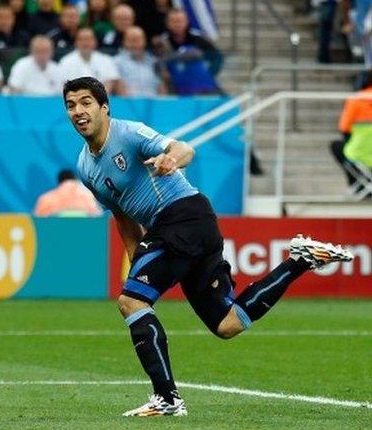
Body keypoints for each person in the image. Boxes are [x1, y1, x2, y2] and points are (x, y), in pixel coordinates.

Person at [62, 75, 354, 417]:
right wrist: (136, 261)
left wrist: (172, 159)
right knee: (227, 324)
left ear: (104, 108)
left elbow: (184, 148)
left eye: (85, 102)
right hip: (184, 227)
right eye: (70, 105)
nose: (78, 111)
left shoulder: (127, 133)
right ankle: (300, 261)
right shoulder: (85, 167)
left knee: (130, 302)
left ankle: (167, 398)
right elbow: (123, 218)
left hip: (182, 217)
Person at [330, 74, 372, 188]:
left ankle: (358, 184)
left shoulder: (356, 100)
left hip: (359, 153)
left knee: (338, 146)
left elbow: (344, 128)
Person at [57, 27, 122, 94]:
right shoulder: (66, 61)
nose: (85, 43)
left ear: (95, 42)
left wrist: (98, 99)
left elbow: (110, 82)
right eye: (81, 40)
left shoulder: (106, 60)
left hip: (100, 100)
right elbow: (64, 85)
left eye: (88, 39)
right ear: (75, 42)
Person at [114, 26, 166, 96]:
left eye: (138, 40)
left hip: (154, 104)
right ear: (124, 42)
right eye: (131, 40)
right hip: (128, 104)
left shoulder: (153, 62)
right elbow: (118, 88)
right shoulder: (116, 62)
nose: (135, 44)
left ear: (144, 41)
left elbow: (161, 87)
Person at [33, 169, 101, 217]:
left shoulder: (46, 199)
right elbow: (98, 218)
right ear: (75, 179)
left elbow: (38, 223)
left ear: (59, 182)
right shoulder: (89, 196)